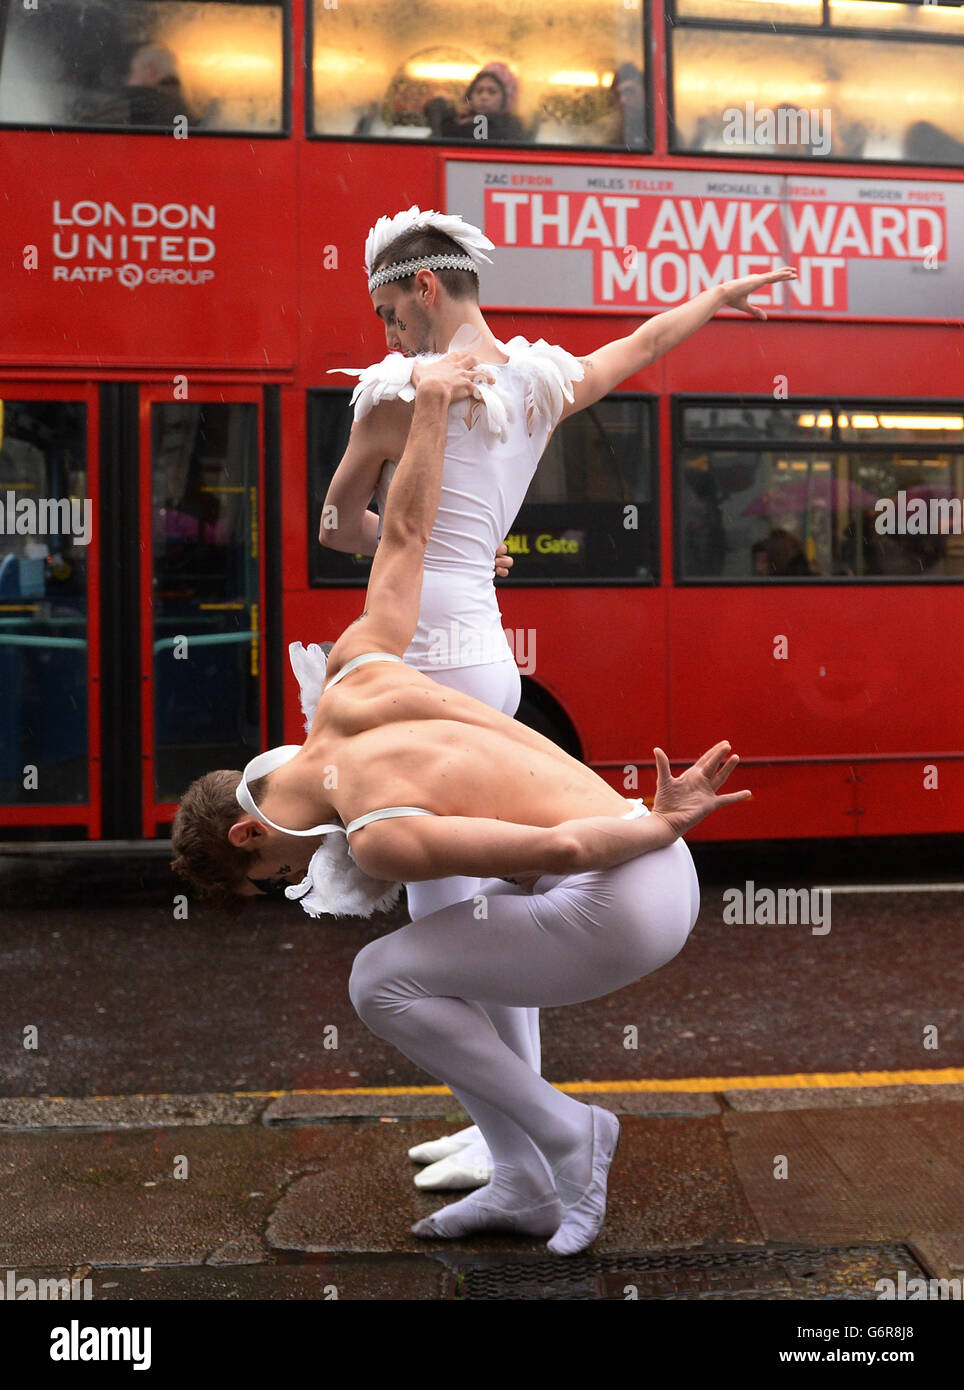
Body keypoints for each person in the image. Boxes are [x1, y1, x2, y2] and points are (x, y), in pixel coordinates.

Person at [171, 353, 751, 1254]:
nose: (295, 883)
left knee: (381, 981)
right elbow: (406, 538)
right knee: (435, 983)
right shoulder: (355, 678)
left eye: (274, 876)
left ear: (250, 831)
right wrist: (433, 405)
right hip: (638, 864)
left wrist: (653, 822)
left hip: (626, 891)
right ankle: (520, 1182)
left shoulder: (376, 838)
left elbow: (557, 855)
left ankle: (570, 1137)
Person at [320, 205, 795, 1189]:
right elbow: (642, 343)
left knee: (442, 922)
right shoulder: (540, 383)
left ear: (422, 288)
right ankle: (504, 1130)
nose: (384, 334)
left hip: (417, 663)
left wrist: (399, 535)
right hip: (489, 661)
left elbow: (337, 522)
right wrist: (713, 297)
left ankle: (512, 1142)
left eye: (385, 310)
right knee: (487, 914)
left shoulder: (390, 396)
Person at [425, 63, 527, 143]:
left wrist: (442, 110)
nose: (484, 97)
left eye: (492, 92)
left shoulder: (508, 127)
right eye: (479, 91)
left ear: (506, 99)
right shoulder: (463, 120)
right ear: (470, 96)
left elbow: (452, 136)